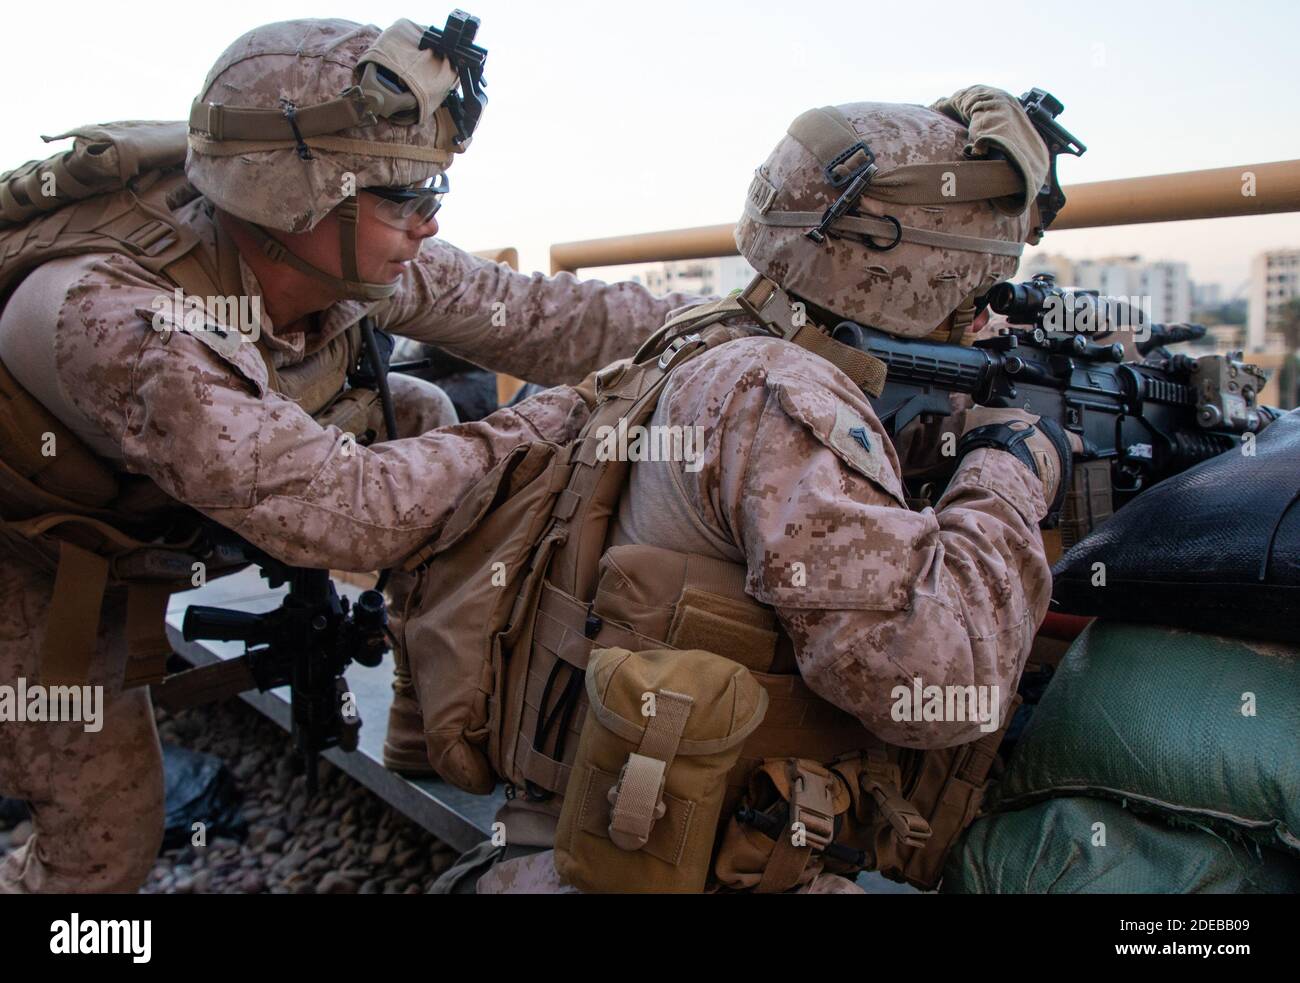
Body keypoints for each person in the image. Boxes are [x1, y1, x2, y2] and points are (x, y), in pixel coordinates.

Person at [0, 14, 693, 894]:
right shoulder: (113, 319)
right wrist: (586, 415)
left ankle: (430, 699)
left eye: (434, 188)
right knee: (102, 848)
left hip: (175, 493)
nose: (429, 220)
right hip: (35, 558)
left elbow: (543, 318)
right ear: (296, 197)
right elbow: (342, 513)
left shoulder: (342, 250)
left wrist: (754, 330)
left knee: (419, 407)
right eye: (404, 195)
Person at [414, 86, 1080, 894]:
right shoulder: (788, 393)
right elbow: (934, 686)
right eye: (976, 296)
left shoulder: (713, 336)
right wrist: (1008, 468)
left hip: (578, 826)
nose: (979, 318)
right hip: (657, 862)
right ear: (926, 269)